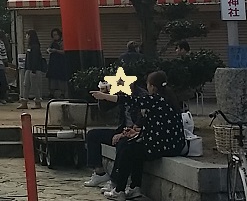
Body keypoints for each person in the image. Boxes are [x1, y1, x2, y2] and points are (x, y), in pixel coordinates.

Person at [91, 71, 185, 201]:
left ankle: (119, 190)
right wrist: (136, 133)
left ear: (152, 87)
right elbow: (156, 126)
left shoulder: (155, 99)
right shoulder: (169, 99)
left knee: (127, 151)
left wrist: (104, 96)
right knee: (133, 147)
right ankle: (135, 187)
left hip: (164, 145)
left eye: (148, 84)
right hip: (171, 143)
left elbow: (132, 100)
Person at [83, 81, 144, 188]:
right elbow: (104, 109)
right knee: (92, 135)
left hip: (135, 134)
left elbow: (141, 121)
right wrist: (103, 94)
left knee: (122, 145)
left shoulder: (141, 96)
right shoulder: (121, 93)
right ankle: (99, 173)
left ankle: (115, 182)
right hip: (122, 130)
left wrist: (124, 134)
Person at [18, 29, 46, 109]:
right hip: (28, 69)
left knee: (35, 86)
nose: (26, 37)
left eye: (27, 35)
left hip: (35, 69)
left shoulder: (35, 46)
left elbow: (35, 59)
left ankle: (38, 102)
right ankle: (24, 102)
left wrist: (33, 70)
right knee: (26, 85)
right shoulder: (30, 46)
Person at [46, 28, 68, 99]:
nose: (55, 36)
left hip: (61, 63)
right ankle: (51, 93)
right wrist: (49, 50)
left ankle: (62, 93)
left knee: (61, 78)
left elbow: (64, 52)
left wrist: (56, 51)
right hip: (53, 63)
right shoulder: (52, 43)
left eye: (56, 35)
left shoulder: (62, 42)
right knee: (52, 78)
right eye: (53, 35)